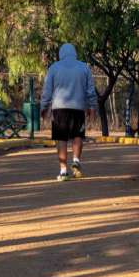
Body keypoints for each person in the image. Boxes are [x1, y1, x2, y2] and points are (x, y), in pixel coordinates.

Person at [40, 43, 97, 181]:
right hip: (78, 108)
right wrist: (92, 107)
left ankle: (63, 171)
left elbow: (47, 91)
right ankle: (76, 160)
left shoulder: (54, 68)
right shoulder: (84, 68)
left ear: (61, 54)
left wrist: (44, 106)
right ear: (74, 53)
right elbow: (90, 90)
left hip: (59, 109)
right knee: (77, 135)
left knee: (61, 139)